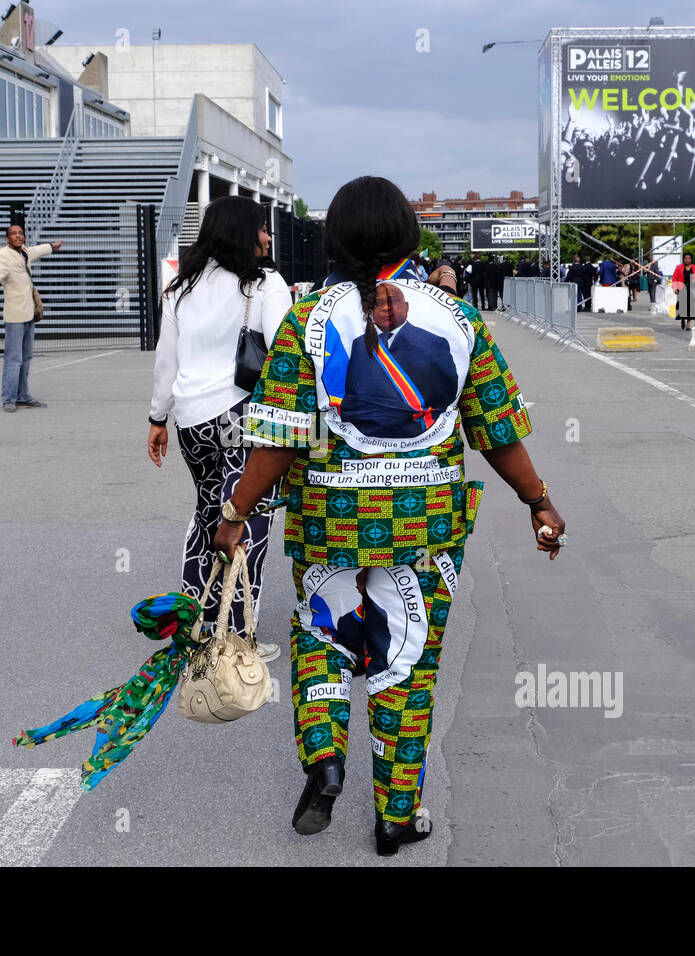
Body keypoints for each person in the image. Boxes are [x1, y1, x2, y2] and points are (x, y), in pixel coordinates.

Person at [212, 177, 565, 857]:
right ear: (409, 235)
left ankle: (325, 758)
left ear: (335, 239)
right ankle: (396, 817)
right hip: (425, 529)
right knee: (406, 663)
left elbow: (278, 439)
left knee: (323, 639)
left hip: (329, 524)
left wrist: (235, 512)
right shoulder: (459, 319)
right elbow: (496, 430)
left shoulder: (307, 319)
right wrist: (537, 500)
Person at [148, 196, 292, 664]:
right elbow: (284, 346)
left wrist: (157, 417)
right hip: (243, 416)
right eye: (262, 230)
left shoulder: (181, 286)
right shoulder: (265, 282)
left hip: (191, 418)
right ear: (244, 233)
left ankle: (195, 622)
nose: (268, 238)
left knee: (209, 511)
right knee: (247, 517)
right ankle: (233, 636)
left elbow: (165, 359)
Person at [0, 223, 61, 412]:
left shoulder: (24, 252)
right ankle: (9, 399)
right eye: (14, 234)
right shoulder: (3, 255)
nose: (18, 236)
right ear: (7, 239)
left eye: (20, 233)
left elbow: (37, 250)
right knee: (13, 359)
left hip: (28, 314)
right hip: (15, 316)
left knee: (26, 358)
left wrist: (51, 246)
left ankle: (23, 395)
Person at [671, 252, 695, 330]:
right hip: (682, 289)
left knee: (691, 307)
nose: (687, 260)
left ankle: (688, 324)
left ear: (691, 259)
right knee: (682, 306)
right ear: (683, 259)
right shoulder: (679, 267)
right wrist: (675, 288)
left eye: (689, 258)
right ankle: (682, 319)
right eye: (685, 258)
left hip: (691, 289)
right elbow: (675, 278)